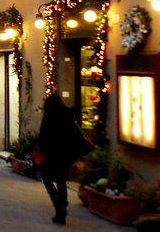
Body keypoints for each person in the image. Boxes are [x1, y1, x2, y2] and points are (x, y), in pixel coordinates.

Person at [39, 93, 91, 225]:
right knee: (61, 180)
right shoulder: (68, 116)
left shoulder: (49, 117)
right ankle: (61, 207)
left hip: (54, 153)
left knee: (47, 179)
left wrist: (44, 150)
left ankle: (59, 205)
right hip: (68, 154)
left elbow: (43, 136)